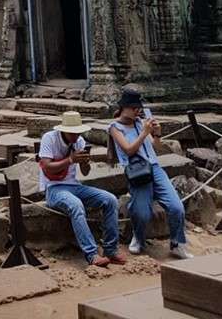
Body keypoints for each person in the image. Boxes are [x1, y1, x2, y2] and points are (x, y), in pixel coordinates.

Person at [109, 89, 193, 259]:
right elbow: (129, 150)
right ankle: (138, 238)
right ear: (125, 107)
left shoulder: (140, 122)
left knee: (176, 207)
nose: (138, 111)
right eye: (134, 108)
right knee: (142, 213)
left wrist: (157, 134)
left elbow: (155, 148)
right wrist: (144, 133)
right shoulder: (114, 127)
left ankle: (177, 243)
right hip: (137, 171)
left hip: (154, 168)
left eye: (139, 108)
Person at [39, 110, 125, 268]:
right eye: (72, 133)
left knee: (110, 199)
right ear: (63, 130)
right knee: (76, 205)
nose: (75, 136)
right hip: (54, 188)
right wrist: (71, 159)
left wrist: (84, 162)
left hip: (75, 185)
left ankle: (111, 250)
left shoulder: (79, 142)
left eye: (77, 133)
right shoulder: (49, 138)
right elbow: (47, 166)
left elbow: (85, 172)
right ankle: (92, 254)